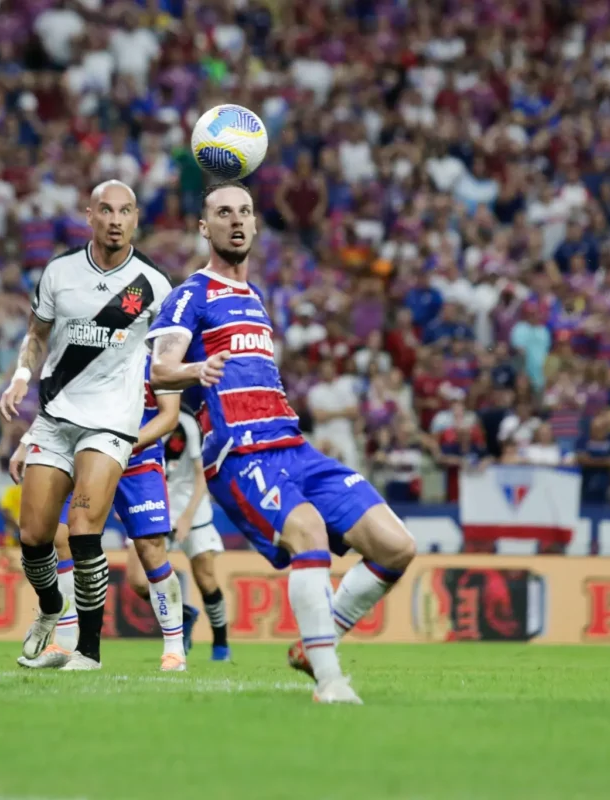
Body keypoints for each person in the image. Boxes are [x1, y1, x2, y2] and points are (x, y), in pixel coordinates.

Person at [148, 183, 417, 704]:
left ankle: (315, 643)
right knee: (309, 531)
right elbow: (160, 370)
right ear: (205, 228)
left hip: (293, 446)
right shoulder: (191, 294)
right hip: (240, 453)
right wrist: (197, 369)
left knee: (396, 546)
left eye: (245, 212)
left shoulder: (255, 299)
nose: (236, 221)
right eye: (223, 213)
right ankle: (329, 680)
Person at [0, 180, 172, 671]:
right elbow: (36, 335)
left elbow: (172, 352)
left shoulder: (153, 285)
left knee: (82, 528)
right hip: (55, 418)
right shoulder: (59, 272)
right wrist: (19, 378)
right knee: (33, 536)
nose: (116, 219)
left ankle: (89, 652)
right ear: (89, 215)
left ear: (136, 218)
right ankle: (53, 608)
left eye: (126, 211)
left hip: (113, 422)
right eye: (106, 210)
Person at [11, 356, 189, 671]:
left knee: (151, 550)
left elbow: (168, 417)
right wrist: (28, 440)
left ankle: (175, 650)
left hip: (138, 458)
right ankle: (64, 646)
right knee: (61, 536)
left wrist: (123, 443)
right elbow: (59, 400)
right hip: (85, 455)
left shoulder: (159, 356)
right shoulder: (94, 345)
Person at [162, 407, 230, 662]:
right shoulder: (137, 415)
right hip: (158, 504)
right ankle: (184, 615)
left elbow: (202, 474)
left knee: (206, 577)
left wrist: (187, 517)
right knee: (138, 579)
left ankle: (220, 642)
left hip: (192, 504)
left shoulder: (186, 423)